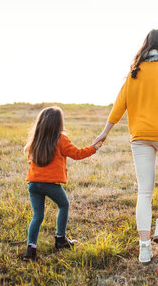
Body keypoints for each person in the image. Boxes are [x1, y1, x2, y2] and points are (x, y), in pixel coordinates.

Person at [93, 29, 158, 264]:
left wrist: (105, 132)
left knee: (144, 192)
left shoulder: (135, 70)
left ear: (147, 45)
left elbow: (120, 103)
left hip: (139, 136)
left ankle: (144, 248)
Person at [23, 106, 102, 261]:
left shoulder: (36, 138)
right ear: (59, 124)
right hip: (50, 184)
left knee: (37, 216)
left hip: (33, 183)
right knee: (64, 205)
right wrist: (94, 148)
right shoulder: (60, 139)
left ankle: (30, 250)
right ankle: (60, 240)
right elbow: (78, 154)